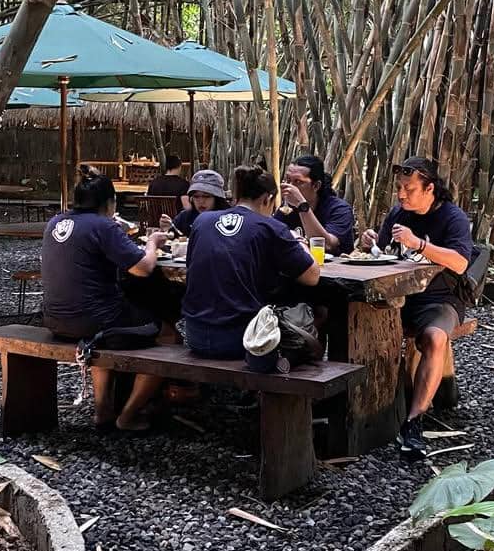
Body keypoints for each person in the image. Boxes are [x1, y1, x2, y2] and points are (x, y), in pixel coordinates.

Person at [361, 157, 475, 455]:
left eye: (408, 189)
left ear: (430, 188)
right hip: (397, 295)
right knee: (361, 325)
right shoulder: (399, 213)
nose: (401, 195)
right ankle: (365, 410)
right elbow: (383, 251)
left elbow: (461, 263)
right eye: (399, 188)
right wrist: (370, 243)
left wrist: (419, 244)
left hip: (440, 297)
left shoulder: (453, 218)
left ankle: (413, 421)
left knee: (434, 339)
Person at [42, 172, 170, 432]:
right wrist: (154, 242)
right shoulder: (103, 225)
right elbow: (144, 268)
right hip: (93, 322)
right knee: (168, 336)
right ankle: (130, 415)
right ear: (109, 203)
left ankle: (103, 411)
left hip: (55, 319)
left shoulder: (54, 223)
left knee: (103, 334)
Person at [180, 165, 320, 358]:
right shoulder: (272, 227)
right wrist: (300, 243)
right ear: (267, 199)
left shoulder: (202, 222)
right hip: (247, 338)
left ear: (237, 196)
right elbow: (312, 277)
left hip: (194, 335)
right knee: (309, 315)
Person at [278, 154, 356, 254]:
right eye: (288, 180)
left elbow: (328, 245)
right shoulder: (288, 208)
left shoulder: (339, 209)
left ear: (316, 186)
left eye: (298, 181)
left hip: (334, 268)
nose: (290, 187)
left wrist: (302, 205)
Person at [161, 169, 228, 236]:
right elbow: (173, 235)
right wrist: (167, 230)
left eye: (206, 196)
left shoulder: (228, 219)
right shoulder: (185, 217)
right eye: (196, 196)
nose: (201, 201)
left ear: (217, 198)